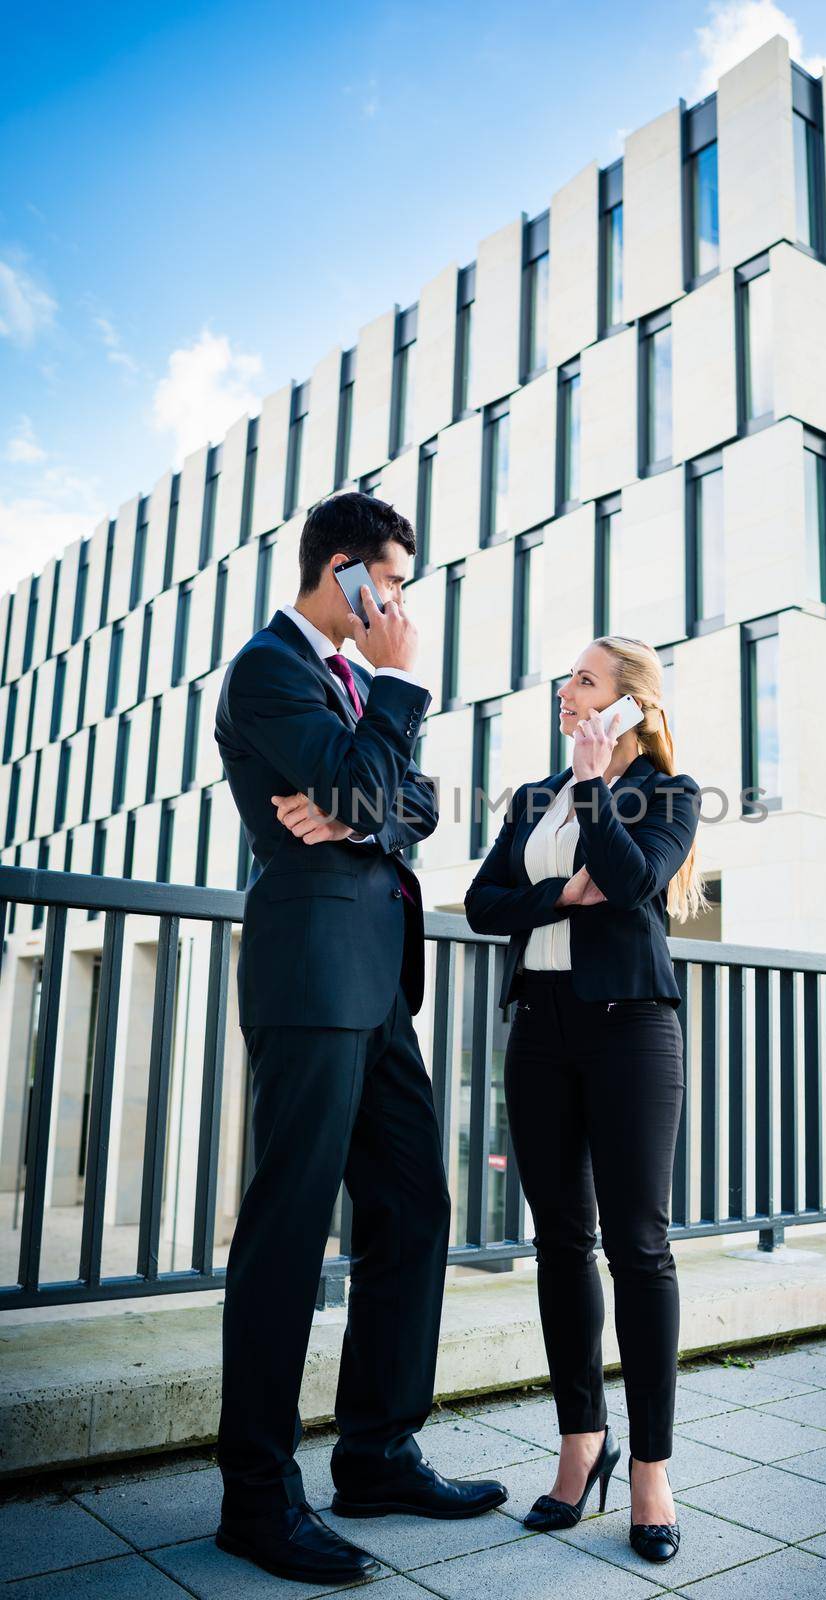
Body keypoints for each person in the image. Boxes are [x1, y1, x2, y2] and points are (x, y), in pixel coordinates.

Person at [213, 491, 506, 1588]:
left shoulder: (338, 685)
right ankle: (257, 1496)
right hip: (309, 974)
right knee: (289, 1227)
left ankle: (377, 1452)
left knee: (413, 1206)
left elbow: (409, 799)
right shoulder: (269, 670)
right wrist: (391, 703)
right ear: (344, 572)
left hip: (380, 981)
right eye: (388, 581)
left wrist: (363, 800)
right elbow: (365, 778)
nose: (396, 604)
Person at [463, 635, 706, 1566]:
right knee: (559, 1240)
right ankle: (580, 1446)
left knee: (638, 1245)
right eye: (568, 679)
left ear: (628, 704)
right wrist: (561, 895)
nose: (566, 690)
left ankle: (650, 1468)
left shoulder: (668, 797)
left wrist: (597, 784)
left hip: (631, 1027)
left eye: (584, 680)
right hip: (542, 1030)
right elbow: (485, 903)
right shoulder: (532, 800)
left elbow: (637, 879)